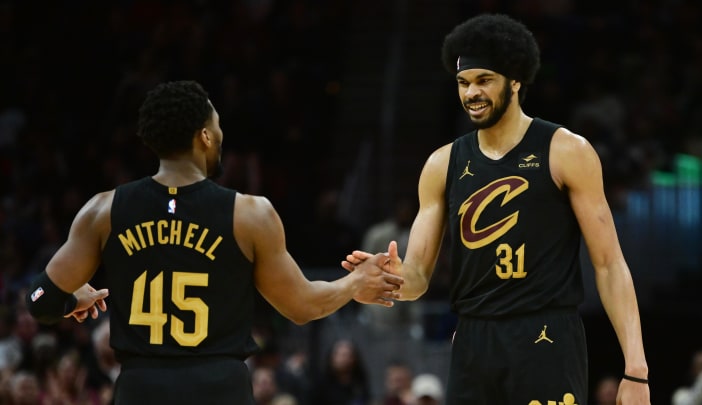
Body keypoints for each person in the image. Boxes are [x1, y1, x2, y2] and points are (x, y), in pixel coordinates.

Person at [23, 80, 403, 405]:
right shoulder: (249, 213)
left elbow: (40, 300)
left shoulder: (103, 210)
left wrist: (73, 299)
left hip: (141, 387)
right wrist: (354, 283)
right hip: (219, 387)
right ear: (205, 136)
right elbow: (301, 306)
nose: (220, 135)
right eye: (217, 125)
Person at [343, 13, 650, 404]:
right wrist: (385, 283)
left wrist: (636, 370)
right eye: (463, 83)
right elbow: (417, 277)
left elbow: (609, 265)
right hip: (474, 338)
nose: (472, 93)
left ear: (516, 80)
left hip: (547, 334)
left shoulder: (567, 150)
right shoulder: (442, 164)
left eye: (484, 80)